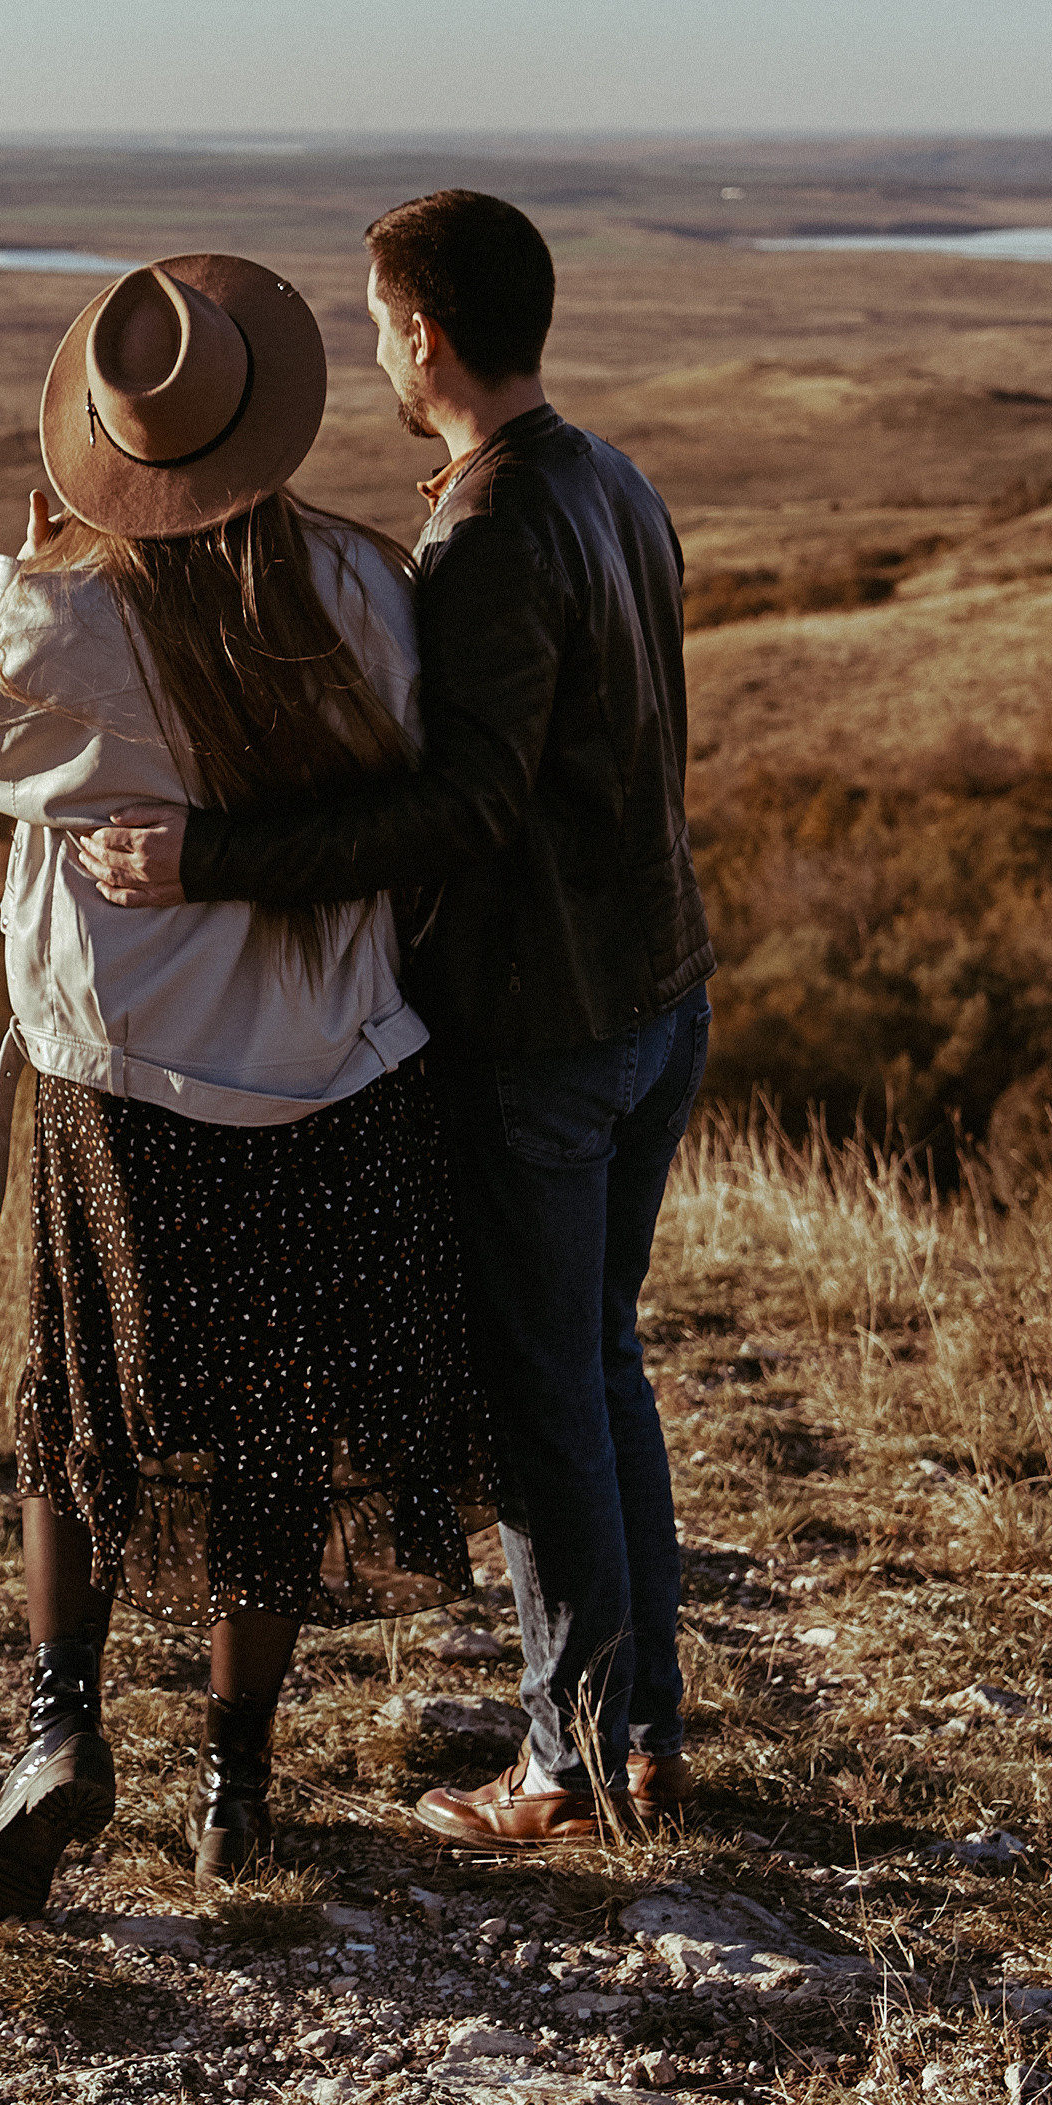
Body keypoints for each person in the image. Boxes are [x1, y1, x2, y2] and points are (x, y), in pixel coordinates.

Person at [80, 190, 713, 1850]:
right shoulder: (611, 479)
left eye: (372, 320)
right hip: (656, 997)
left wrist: (206, 855)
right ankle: (636, 1732)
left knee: (544, 1400)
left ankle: (568, 1766)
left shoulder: (493, 528)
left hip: (547, 1028)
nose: (368, 346)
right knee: (599, 1368)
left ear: (420, 331)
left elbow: (465, 808)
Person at [0, 252, 491, 1919]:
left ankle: (58, 1730)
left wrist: (17, 578)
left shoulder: (71, 624)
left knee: (86, 1415)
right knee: (271, 1440)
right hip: (333, 1071)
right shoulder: (365, 588)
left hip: (130, 1077)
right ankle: (235, 1787)